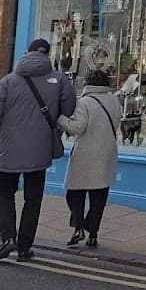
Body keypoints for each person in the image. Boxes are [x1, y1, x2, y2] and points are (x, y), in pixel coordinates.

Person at [0, 38, 76, 261]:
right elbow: (68, 108)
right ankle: (24, 248)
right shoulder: (60, 80)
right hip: (40, 149)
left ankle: (7, 237)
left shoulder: (8, 81)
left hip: (7, 150)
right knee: (33, 200)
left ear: (26, 52)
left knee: (4, 194)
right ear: (48, 55)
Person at [57, 69, 121, 249]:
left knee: (75, 191)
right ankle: (93, 234)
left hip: (86, 152)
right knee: (99, 195)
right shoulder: (115, 101)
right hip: (107, 151)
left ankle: (78, 227)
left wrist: (60, 119)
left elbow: (77, 127)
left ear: (88, 83)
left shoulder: (84, 102)